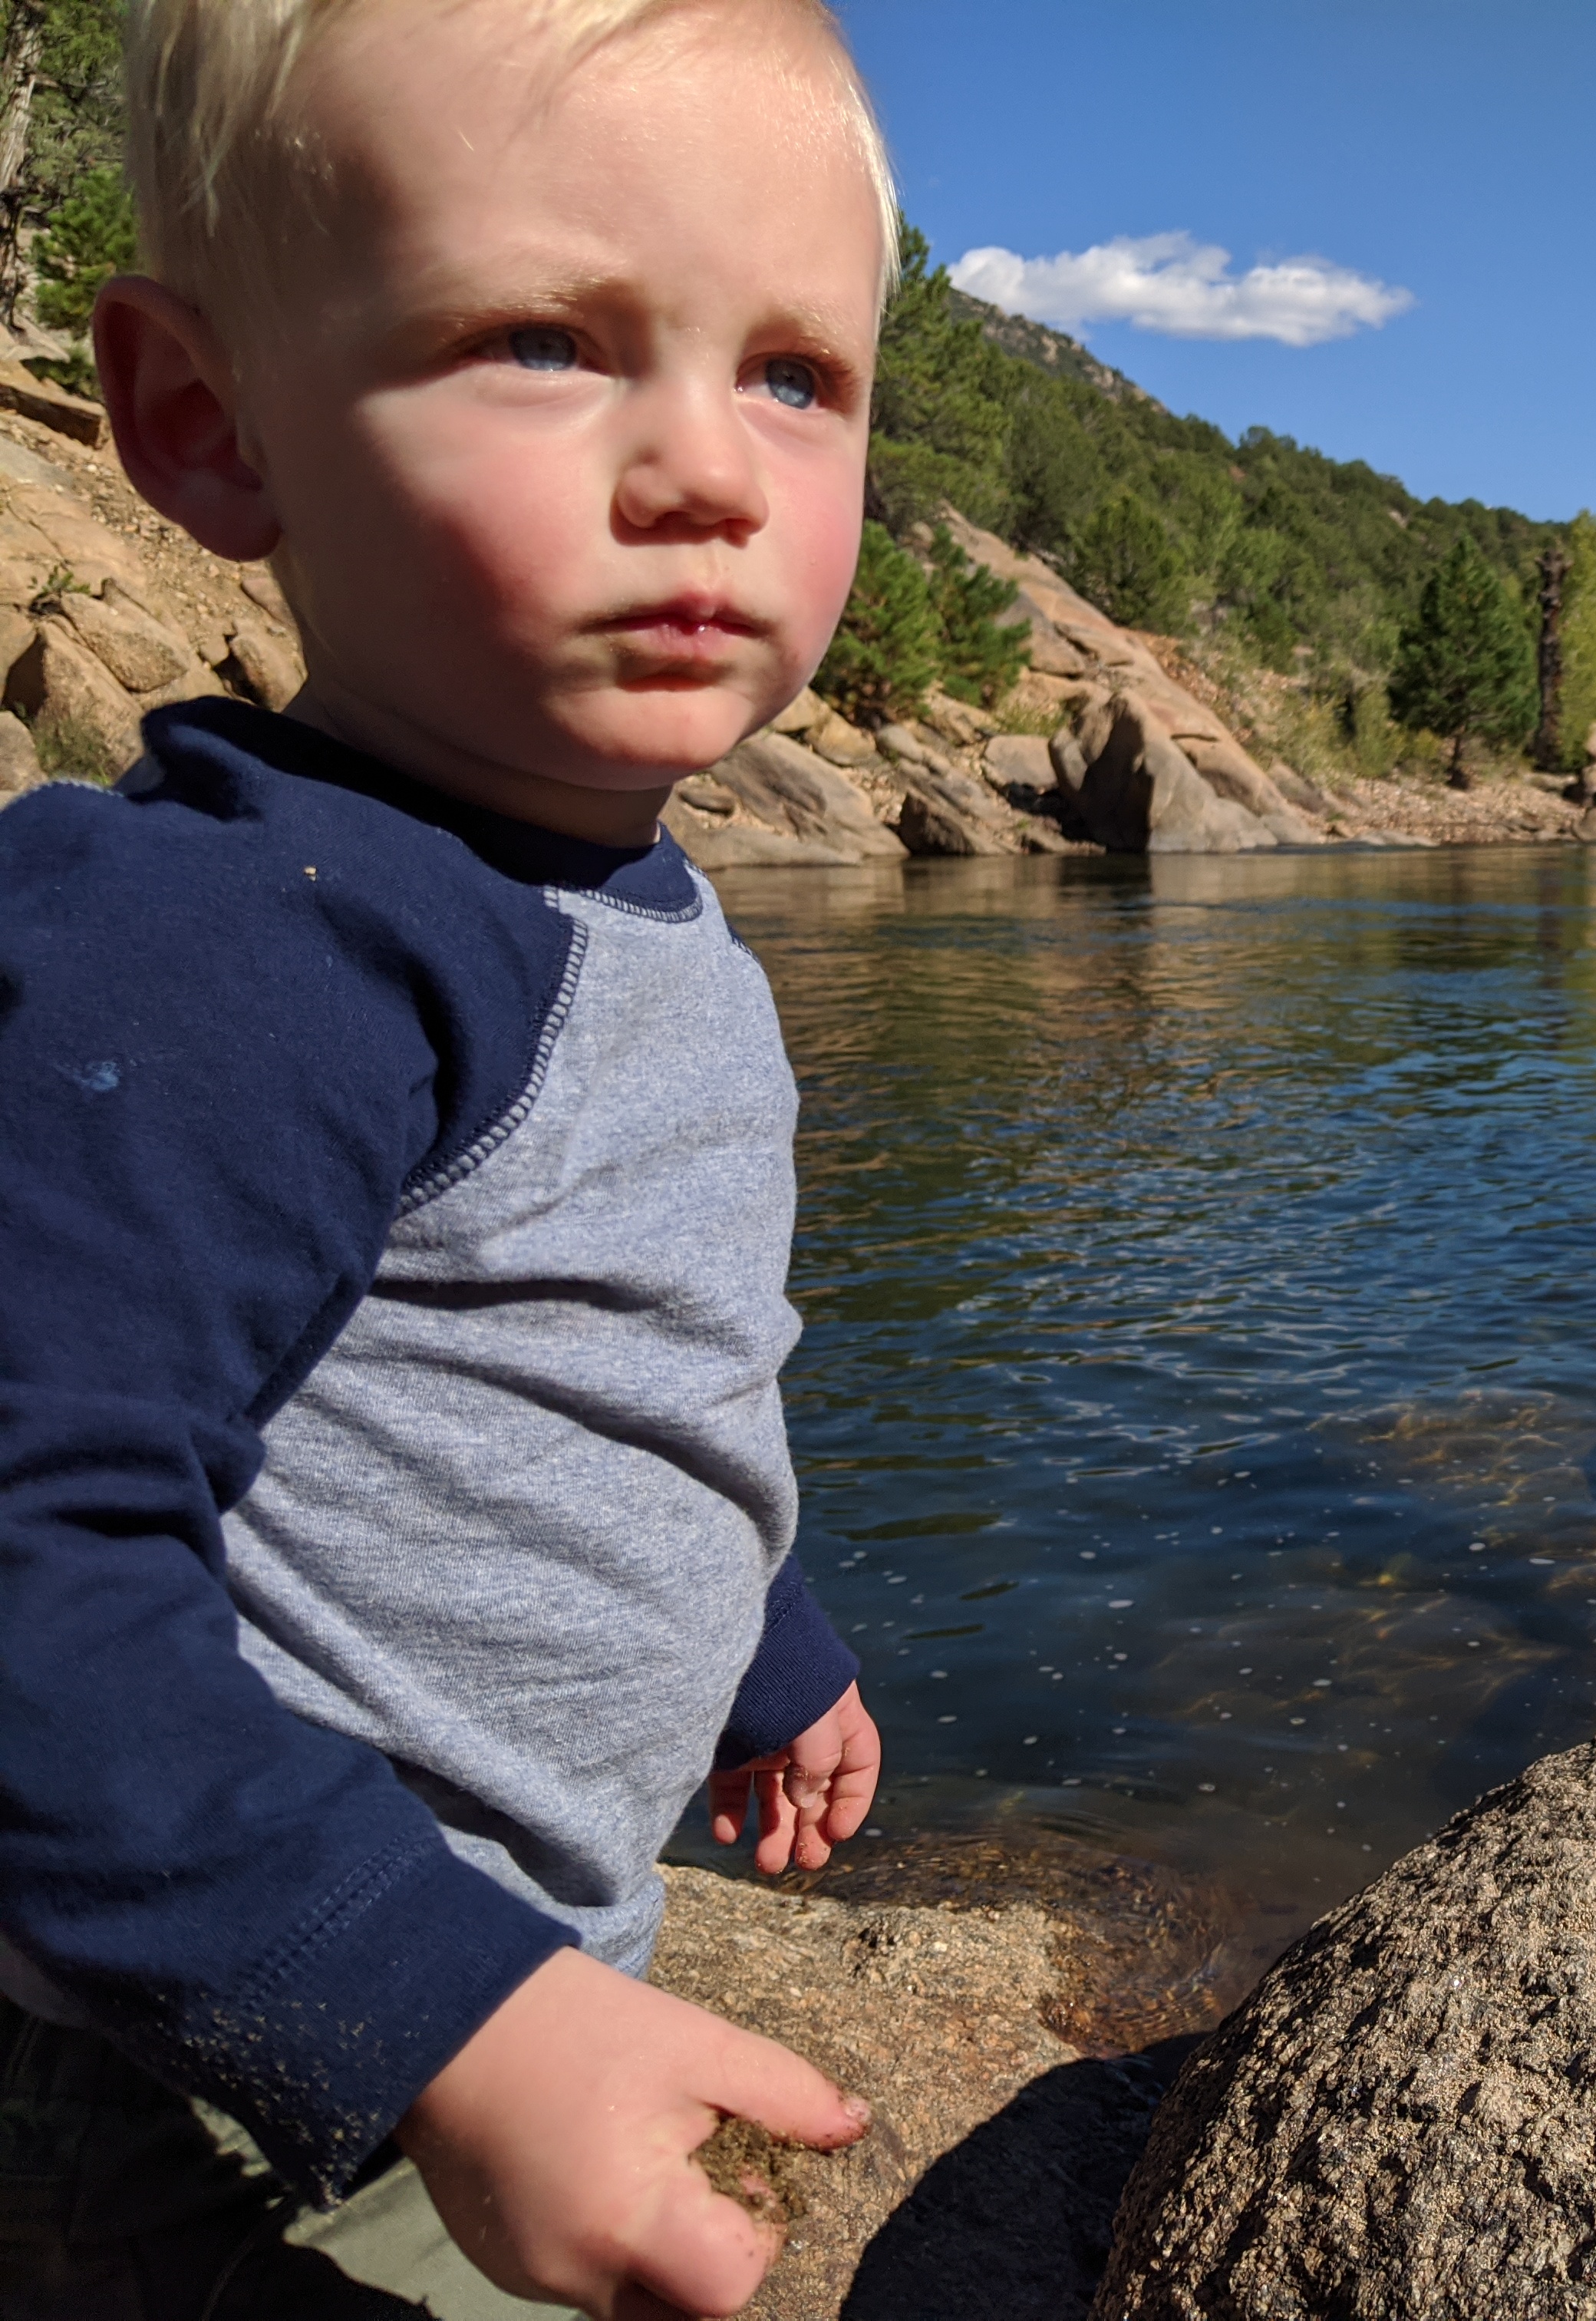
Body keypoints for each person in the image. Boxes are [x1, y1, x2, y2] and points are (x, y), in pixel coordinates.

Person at [0, 2, 906, 2312]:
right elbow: (34, 1544)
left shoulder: (609, 886)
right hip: (224, 2068)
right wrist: (442, 2013)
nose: (707, 466)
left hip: (443, 1987)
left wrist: (761, 1640)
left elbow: (610, 1358)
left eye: (795, 373)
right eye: (543, 341)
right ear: (210, 427)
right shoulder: (239, 944)